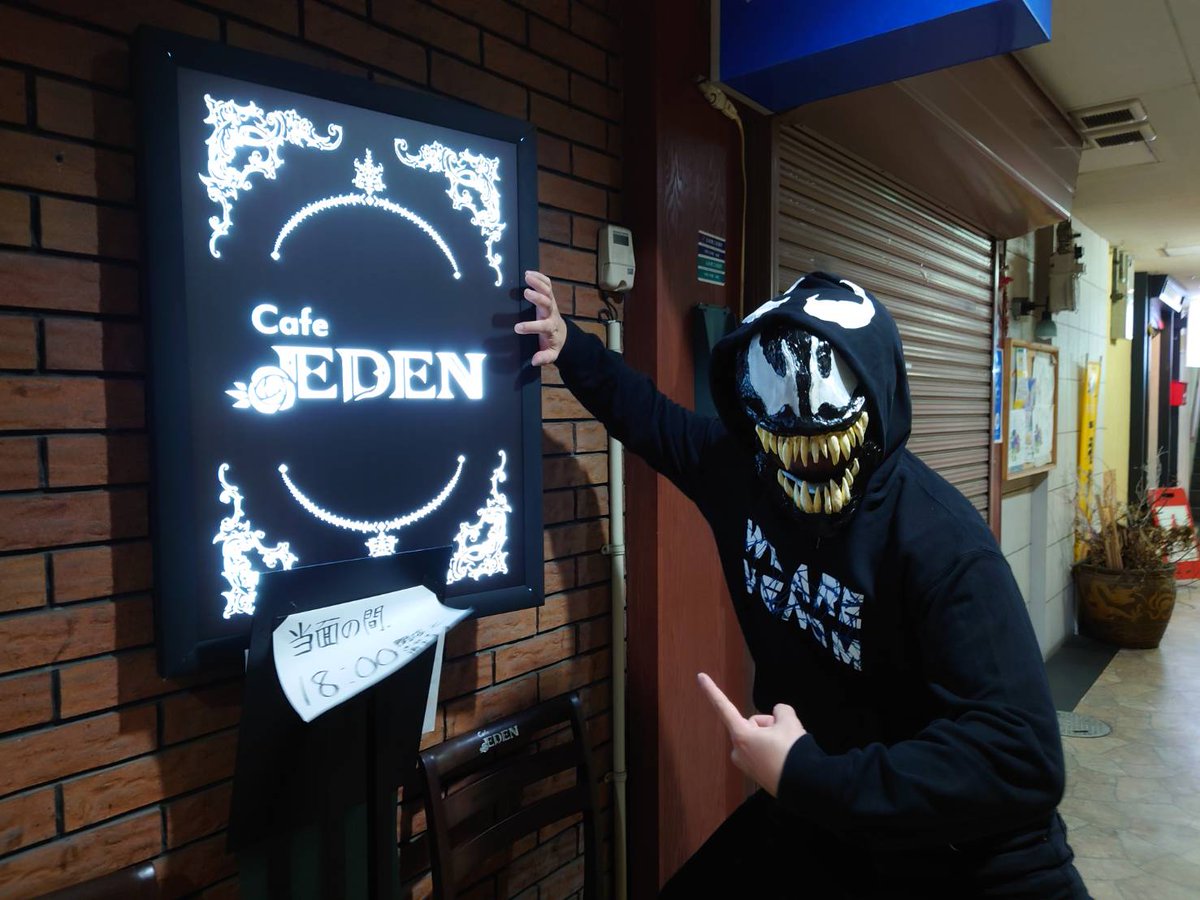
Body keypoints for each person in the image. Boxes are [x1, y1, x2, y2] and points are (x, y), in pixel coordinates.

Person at [517, 270, 1088, 898]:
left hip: (969, 856)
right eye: (787, 436)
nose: (807, 456)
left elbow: (1023, 757)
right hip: (822, 822)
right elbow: (651, 419)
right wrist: (568, 345)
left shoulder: (944, 545)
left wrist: (805, 774)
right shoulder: (742, 470)